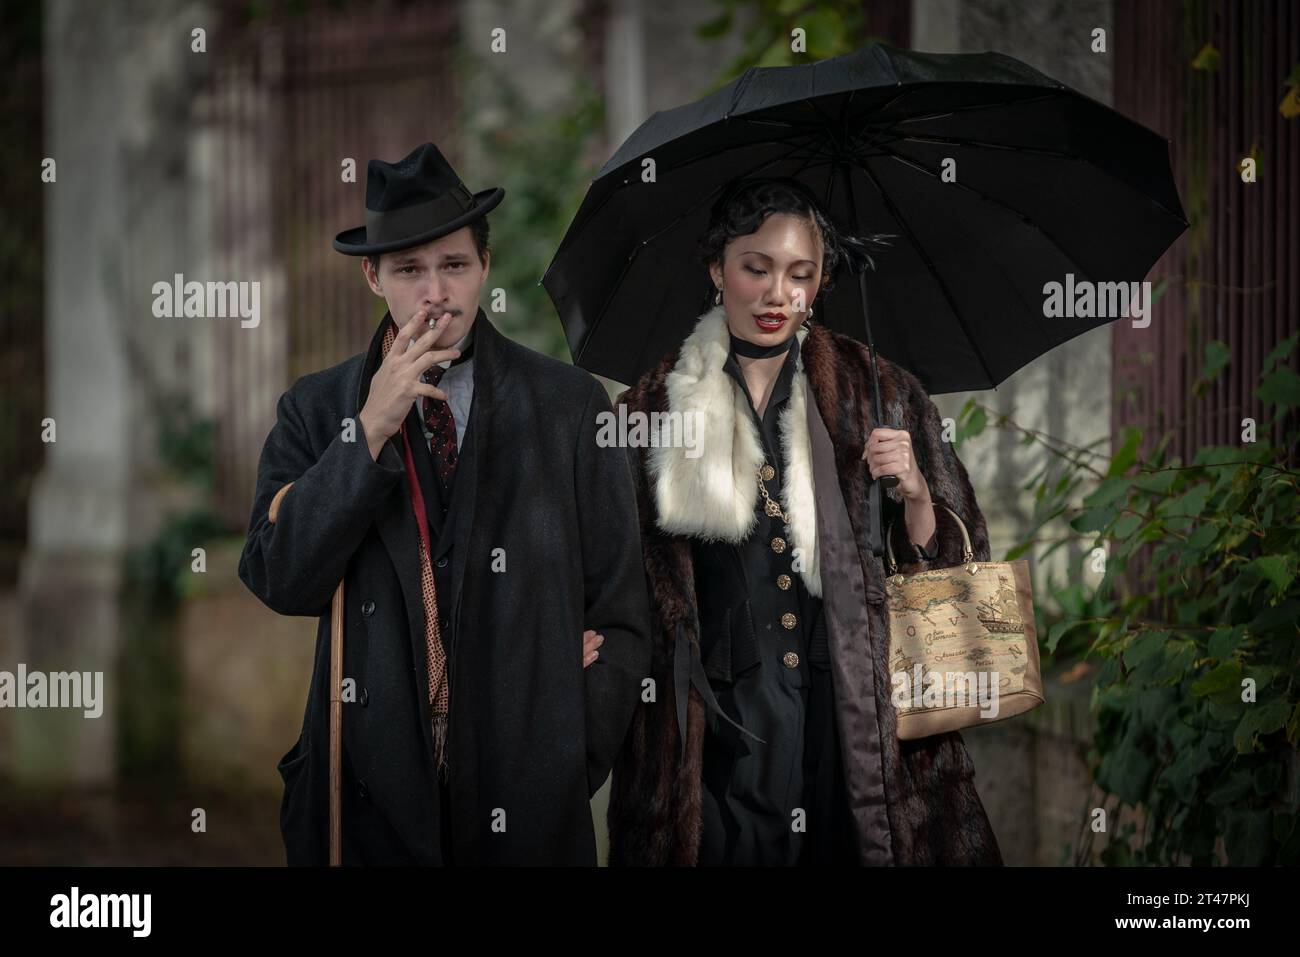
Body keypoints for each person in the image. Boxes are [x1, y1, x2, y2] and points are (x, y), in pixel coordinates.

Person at [238, 143, 652, 865]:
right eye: (409, 270)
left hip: (526, 801)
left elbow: (621, 610)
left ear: (485, 265)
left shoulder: (569, 406)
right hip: (370, 800)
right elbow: (280, 578)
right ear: (373, 276)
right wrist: (368, 431)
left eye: (454, 265)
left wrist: (566, 753)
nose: (436, 292)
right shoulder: (315, 410)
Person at [606, 177, 1002, 866]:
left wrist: (914, 492)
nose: (777, 294)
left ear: (819, 282)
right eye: (756, 268)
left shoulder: (877, 392)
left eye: (800, 274)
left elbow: (957, 577)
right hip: (714, 732)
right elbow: (613, 571)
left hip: (849, 712)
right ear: (716, 269)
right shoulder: (651, 409)